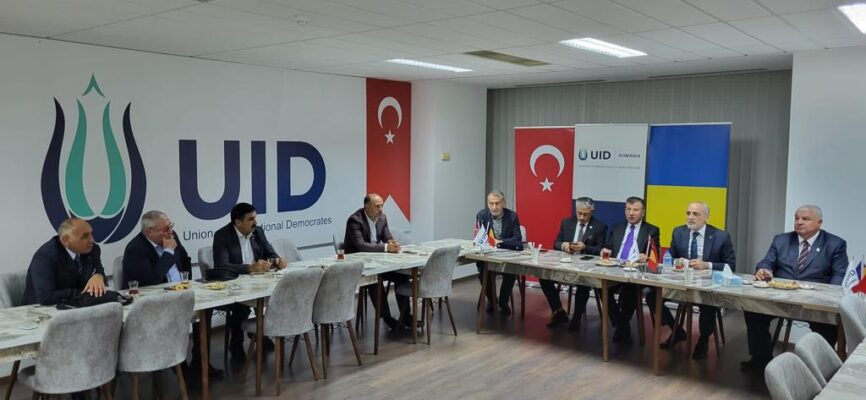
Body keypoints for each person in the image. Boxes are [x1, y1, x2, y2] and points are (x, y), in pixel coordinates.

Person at [741, 204, 848, 371]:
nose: (799, 222)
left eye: (805, 219)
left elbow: (839, 275)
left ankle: (819, 367)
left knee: (828, 324)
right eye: (796, 218)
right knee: (753, 311)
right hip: (779, 297)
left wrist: (827, 299)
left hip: (814, 301)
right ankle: (761, 359)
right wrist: (763, 269)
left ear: (819, 223)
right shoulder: (781, 240)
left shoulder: (835, 244)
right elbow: (766, 262)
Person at [122, 210, 223, 378]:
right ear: (149, 231)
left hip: (179, 291)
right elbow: (152, 280)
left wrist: (184, 281)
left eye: (171, 226)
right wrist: (168, 252)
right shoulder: (136, 249)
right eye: (165, 229)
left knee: (205, 309)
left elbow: (185, 260)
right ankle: (181, 369)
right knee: (174, 315)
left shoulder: (171, 236)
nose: (170, 231)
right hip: (152, 301)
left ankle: (201, 363)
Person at [645, 202, 735, 359]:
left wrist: (707, 264)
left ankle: (703, 340)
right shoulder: (679, 232)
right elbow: (670, 257)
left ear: (706, 217)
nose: (690, 217)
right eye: (688, 213)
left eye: (695, 214)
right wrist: (677, 261)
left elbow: (731, 266)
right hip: (680, 281)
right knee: (652, 296)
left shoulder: (721, 237)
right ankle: (676, 330)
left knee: (708, 304)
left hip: (706, 284)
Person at [212, 202, 287, 363]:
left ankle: (260, 333)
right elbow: (221, 265)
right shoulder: (222, 236)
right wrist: (249, 268)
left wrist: (277, 260)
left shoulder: (258, 232)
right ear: (238, 222)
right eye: (250, 219)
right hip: (234, 283)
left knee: (276, 296)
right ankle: (236, 344)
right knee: (241, 306)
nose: (255, 222)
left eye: (255, 218)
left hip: (257, 281)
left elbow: (270, 252)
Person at [344, 193, 414, 331]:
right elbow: (361, 245)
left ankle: (406, 316)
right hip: (359, 265)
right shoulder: (355, 220)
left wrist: (392, 243)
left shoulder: (382, 217)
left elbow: (387, 237)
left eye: (382, 206)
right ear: (366, 207)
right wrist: (387, 248)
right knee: (376, 279)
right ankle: (387, 318)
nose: (381, 209)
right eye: (377, 206)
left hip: (377, 261)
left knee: (401, 276)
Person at [540, 197, 607, 331]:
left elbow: (601, 250)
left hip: (586, 266)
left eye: (585, 214)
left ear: (592, 212)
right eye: (579, 213)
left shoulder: (600, 227)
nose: (581, 217)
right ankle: (559, 311)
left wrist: (585, 247)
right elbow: (556, 243)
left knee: (584, 282)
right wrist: (564, 245)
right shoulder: (567, 223)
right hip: (566, 263)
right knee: (543, 277)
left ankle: (576, 319)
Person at [601, 196, 660, 344]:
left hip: (635, 271)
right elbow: (608, 248)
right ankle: (621, 324)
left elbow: (654, 257)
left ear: (643, 212)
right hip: (615, 269)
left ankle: (621, 326)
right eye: (628, 209)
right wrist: (605, 251)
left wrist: (646, 258)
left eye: (635, 210)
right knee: (600, 286)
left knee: (630, 288)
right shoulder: (617, 227)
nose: (631, 213)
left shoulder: (651, 230)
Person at [22, 218, 107, 306]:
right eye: (85, 236)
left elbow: (101, 277)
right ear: (65, 240)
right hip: (40, 309)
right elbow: (46, 296)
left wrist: (99, 276)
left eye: (91, 234)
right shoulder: (45, 256)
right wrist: (83, 293)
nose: (92, 239)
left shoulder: (93, 249)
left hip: (77, 304)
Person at [475, 190, 523, 315]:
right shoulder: (482, 215)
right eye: (491, 203)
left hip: (507, 253)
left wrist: (500, 242)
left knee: (510, 273)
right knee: (483, 272)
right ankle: (492, 301)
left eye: (497, 203)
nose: (494, 207)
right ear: (487, 203)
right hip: (488, 254)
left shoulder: (512, 216)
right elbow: (479, 237)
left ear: (503, 203)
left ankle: (503, 302)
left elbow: (517, 238)